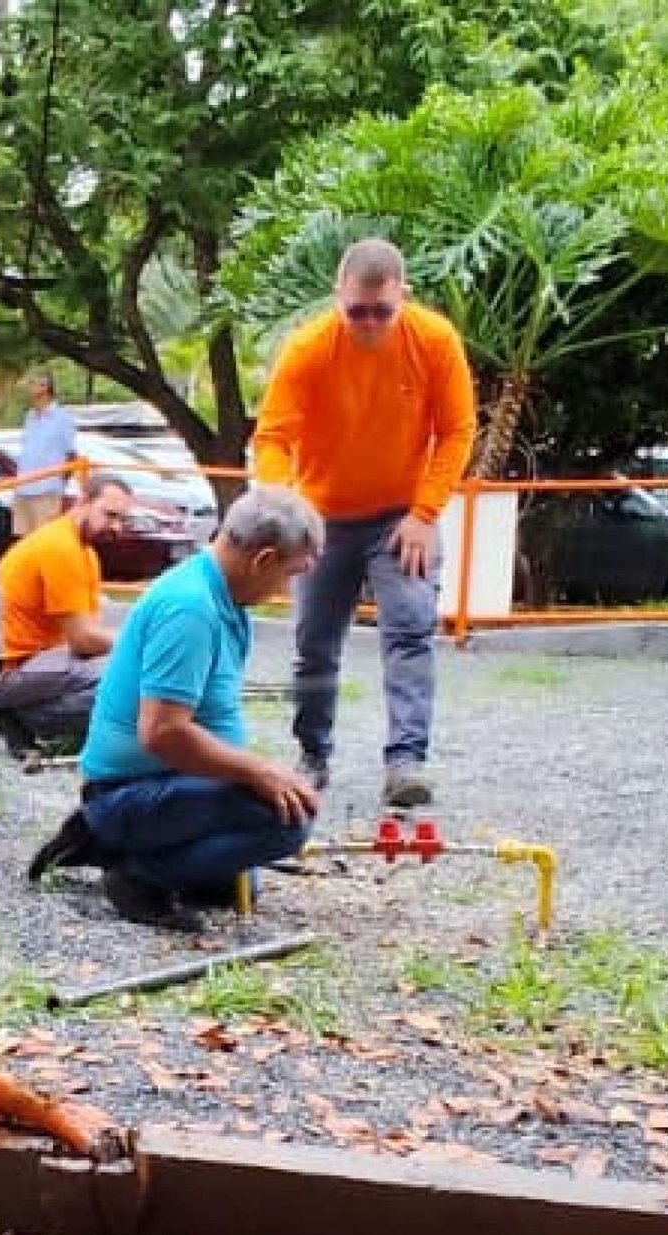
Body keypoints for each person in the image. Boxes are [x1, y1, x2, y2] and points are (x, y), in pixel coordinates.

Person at [24, 487, 326, 929]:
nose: (287, 588)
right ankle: (134, 872)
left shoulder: (224, 597)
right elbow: (162, 732)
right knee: (287, 824)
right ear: (262, 560)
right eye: (290, 573)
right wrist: (258, 772)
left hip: (167, 784)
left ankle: (118, 842)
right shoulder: (191, 609)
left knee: (238, 878)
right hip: (129, 790)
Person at [253, 238, 477, 811]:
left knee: (409, 629)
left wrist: (425, 515)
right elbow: (273, 438)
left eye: (382, 310)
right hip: (322, 519)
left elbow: (456, 430)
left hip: (401, 518)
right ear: (338, 298)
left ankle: (406, 762)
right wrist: (288, 515)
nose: (370, 322)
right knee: (313, 643)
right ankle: (313, 754)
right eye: (358, 311)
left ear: (403, 295)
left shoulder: (434, 340)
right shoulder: (308, 350)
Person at [0, 475, 136, 758]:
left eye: (122, 520)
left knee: (127, 667)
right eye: (109, 515)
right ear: (82, 502)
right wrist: (144, 642)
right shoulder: (61, 548)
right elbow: (84, 641)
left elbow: (89, 635)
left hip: (38, 661)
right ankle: (24, 717)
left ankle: (20, 714)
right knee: (133, 677)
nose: (116, 527)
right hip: (4, 668)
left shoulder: (84, 552)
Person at [16, 374, 80, 533]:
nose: (29, 387)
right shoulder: (29, 416)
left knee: (43, 537)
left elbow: (71, 454)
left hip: (47, 489)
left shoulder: (62, 418)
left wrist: (58, 484)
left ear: (45, 388)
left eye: (33, 383)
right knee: (24, 541)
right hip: (23, 487)